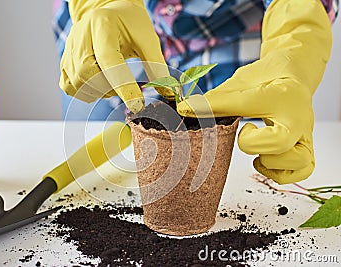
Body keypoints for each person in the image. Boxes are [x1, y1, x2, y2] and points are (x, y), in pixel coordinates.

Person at [53, 0, 338, 184]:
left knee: (222, 160)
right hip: (112, 26)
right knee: (101, 166)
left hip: (231, 26)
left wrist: (297, 46)